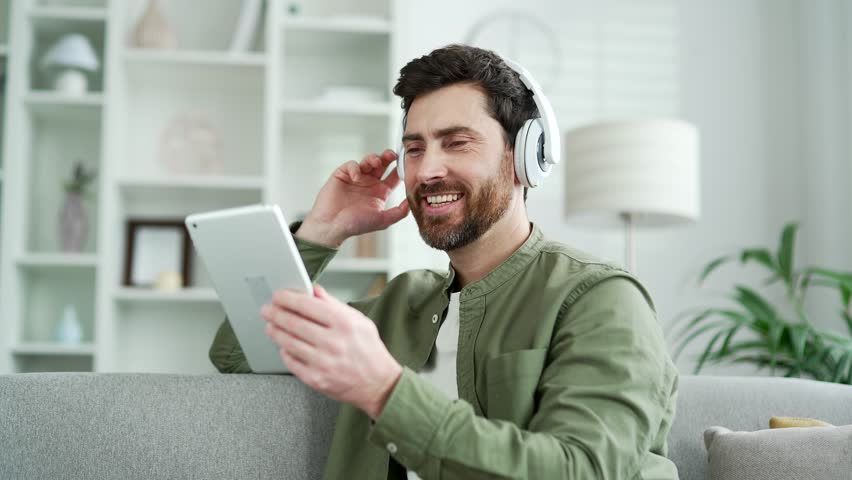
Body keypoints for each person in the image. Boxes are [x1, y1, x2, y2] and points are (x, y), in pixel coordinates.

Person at [209, 44, 679, 480]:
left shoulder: (601, 299)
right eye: (415, 148)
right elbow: (238, 354)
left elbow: (583, 469)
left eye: (456, 143)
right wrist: (321, 231)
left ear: (525, 157)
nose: (428, 170)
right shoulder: (400, 303)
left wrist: (384, 389)